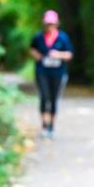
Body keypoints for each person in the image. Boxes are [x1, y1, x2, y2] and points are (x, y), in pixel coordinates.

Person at [28, 10, 73, 138]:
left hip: (58, 72)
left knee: (54, 99)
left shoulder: (63, 38)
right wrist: (38, 56)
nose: (50, 26)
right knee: (44, 96)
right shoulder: (38, 37)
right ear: (44, 24)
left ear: (56, 24)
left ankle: (52, 127)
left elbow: (69, 54)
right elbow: (32, 49)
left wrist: (57, 54)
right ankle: (44, 125)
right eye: (48, 24)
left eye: (52, 24)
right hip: (42, 71)